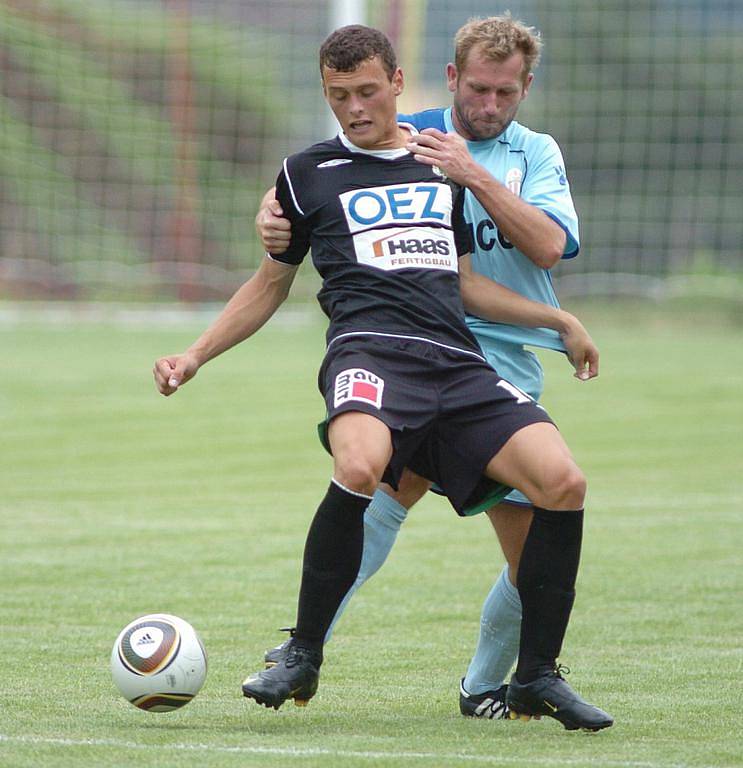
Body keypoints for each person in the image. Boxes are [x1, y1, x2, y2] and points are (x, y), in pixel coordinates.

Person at [154, 24, 612, 731]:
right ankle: (302, 651)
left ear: (398, 84)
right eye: (338, 96)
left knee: (563, 484)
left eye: (366, 91)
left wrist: (557, 321)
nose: (354, 108)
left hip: (459, 363)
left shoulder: (443, 166)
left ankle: (533, 678)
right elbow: (267, 282)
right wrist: (193, 354)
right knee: (363, 466)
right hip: (369, 353)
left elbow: (463, 283)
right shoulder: (305, 173)